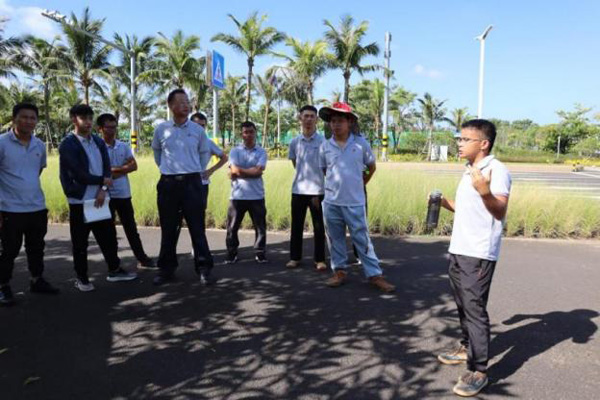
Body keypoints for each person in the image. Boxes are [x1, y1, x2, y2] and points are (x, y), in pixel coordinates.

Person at [435, 119, 511, 397]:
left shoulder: (496, 170)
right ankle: (466, 346)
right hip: (460, 248)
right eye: (459, 138)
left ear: (484, 144)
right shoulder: (470, 169)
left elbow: (499, 210)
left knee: (475, 308)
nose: (459, 143)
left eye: (466, 139)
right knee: (462, 303)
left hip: (478, 252)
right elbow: (469, 208)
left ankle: (479, 370)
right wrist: (445, 203)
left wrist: (484, 191)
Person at [59, 104, 137, 292]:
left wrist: (103, 188)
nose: (87, 122)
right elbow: (77, 174)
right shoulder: (68, 144)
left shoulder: (97, 141)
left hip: (99, 198)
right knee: (80, 242)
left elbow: (106, 168)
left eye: (89, 118)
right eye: (83, 118)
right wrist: (102, 181)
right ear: (74, 119)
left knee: (108, 238)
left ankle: (114, 270)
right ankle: (82, 278)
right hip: (80, 200)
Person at [318, 102, 395, 293]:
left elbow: (371, 167)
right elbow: (325, 170)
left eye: (340, 120)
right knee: (335, 240)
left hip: (355, 202)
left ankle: (375, 275)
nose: (336, 124)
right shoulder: (325, 146)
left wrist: (360, 183)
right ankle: (339, 272)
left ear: (349, 122)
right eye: (333, 121)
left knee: (362, 240)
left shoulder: (361, 144)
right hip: (331, 203)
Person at [151, 89, 216, 286]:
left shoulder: (197, 130)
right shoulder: (161, 129)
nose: (186, 105)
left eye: (187, 102)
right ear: (170, 106)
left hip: (192, 184)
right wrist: (168, 169)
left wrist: (194, 169)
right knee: (169, 228)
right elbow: (157, 152)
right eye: (181, 102)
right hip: (168, 184)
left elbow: (204, 153)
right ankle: (166, 269)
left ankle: (204, 268)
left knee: (197, 228)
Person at [0, 103, 59, 305]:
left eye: (32, 118)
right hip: (9, 209)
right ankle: (3, 285)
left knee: (36, 247)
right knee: (8, 250)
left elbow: (37, 171)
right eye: (24, 117)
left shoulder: (39, 145)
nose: (28, 121)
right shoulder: (2, 143)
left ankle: (37, 280)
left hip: (36, 207)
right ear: (14, 119)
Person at [97, 113, 155, 269]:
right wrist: (123, 169)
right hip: (104, 195)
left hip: (123, 193)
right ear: (100, 129)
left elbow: (134, 166)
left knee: (131, 229)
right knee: (109, 232)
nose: (112, 130)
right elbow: (98, 171)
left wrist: (111, 171)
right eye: (108, 127)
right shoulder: (97, 148)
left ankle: (142, 258)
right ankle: (114, 264)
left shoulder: (122, 146)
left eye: (114, 127)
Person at [286, 105, 327, 271]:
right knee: (296, 226)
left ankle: (320, 259)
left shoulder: (324, 142)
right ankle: (294, 258)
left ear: (317, 119)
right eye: (306, 116)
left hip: (318, 191)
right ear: (300, 118)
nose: (309, 119)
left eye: (312, 116)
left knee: (319, 227)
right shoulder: (295, 142)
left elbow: (327, 166)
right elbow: (295, 163)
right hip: (298, 191)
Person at [225, 121, 268, 264]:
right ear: (241, 134)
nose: (248, 135)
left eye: (251, 132)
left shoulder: (261, 151)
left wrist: (239, 172)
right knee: (232, 227)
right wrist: (251, 171)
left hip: (257, 196)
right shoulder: (234, 151)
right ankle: (232, 254)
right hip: (237, 196)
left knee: (260, 227)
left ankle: (260, 253)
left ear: (255, 133)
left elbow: (258, 171)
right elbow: (234, 170)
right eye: (245, 132)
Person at [190, 112, 228, 208]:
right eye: (197, 125)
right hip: (182, 183)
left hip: (201, 184)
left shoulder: (209, 143)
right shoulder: (182, 141)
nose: (200, 128)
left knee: (198, 213)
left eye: (203, 126)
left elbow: (224, 158)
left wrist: (210, 171)